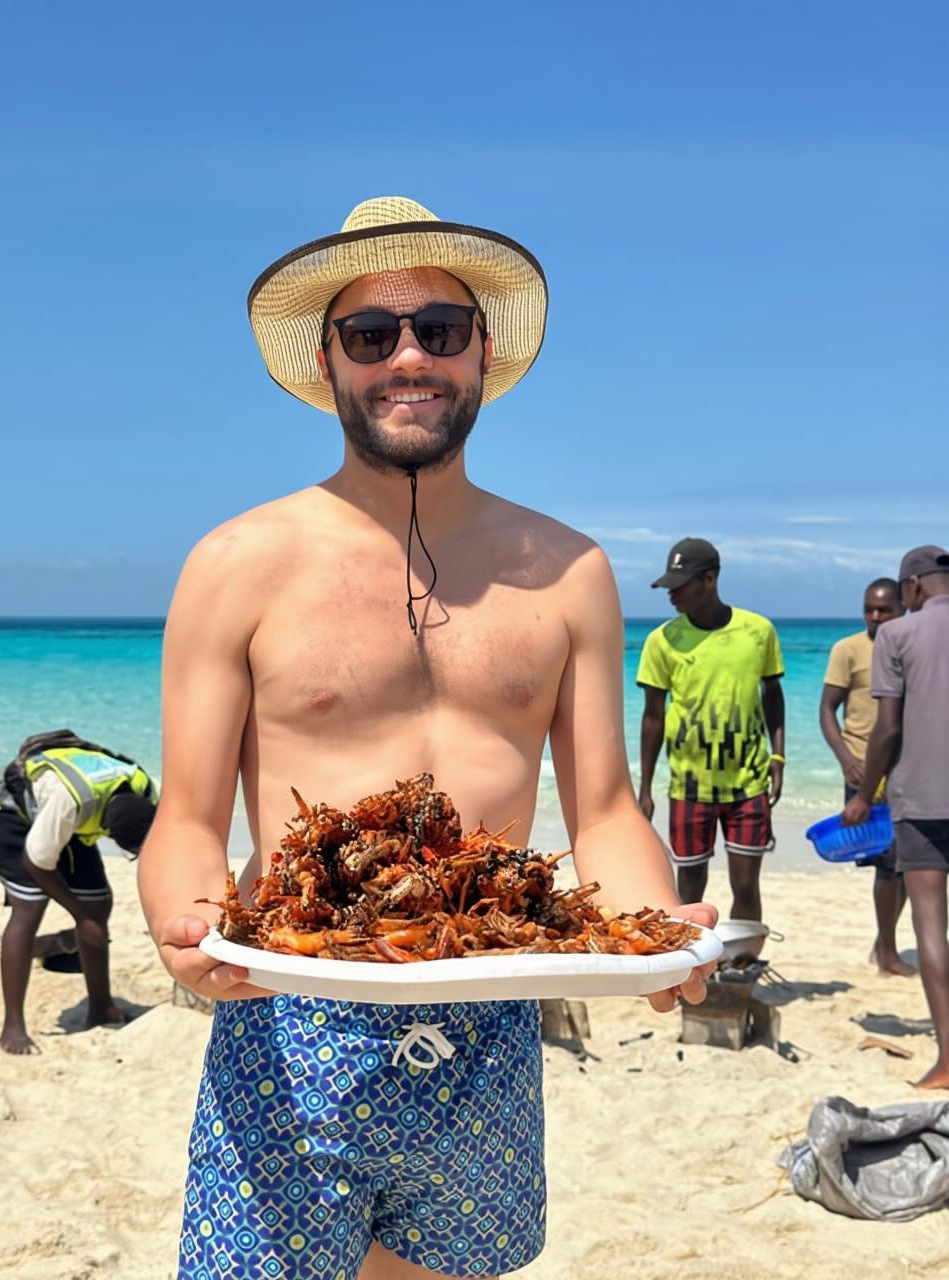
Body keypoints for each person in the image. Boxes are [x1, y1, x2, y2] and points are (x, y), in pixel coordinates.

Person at [137, 196, 718, 1280]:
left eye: (441, 330)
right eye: (373, 335)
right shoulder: (238, 562)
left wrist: (658, 930)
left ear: (482, 351)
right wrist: (184, 924)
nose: (410, 357)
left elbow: (601, 810)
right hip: (289, 1010)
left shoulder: (569, 570)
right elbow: (189, 814)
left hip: (492, 1021)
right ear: (329, 363)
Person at [843, 546, 949, 1089]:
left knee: (931, 927)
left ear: (911, 588)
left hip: (923, 803)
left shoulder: (897, 637)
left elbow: (886, 730)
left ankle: (948, 1059)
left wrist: (864, 795)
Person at [637, 537, 785, 923]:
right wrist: (645, 788)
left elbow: (773, 694)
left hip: (748, 782)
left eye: (679, 585)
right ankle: (689, 968)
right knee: (688, 887)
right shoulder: (662, 641)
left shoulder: (758, 631)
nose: (671, 595)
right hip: (689, 786)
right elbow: (653, 717)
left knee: (747, 884)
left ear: (710, 579)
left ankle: (741, 968)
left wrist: (778, 757)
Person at [0, 731, 158, 1054]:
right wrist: (78, 914)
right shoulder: (71, 802)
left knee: (100, 905)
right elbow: (36, 862)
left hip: (71, 817)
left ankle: (100, 1008)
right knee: (29, 909)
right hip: (13, 813)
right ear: (107, 829)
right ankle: (12, 1026)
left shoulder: (146, 790)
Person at [820, 578, 915, 976]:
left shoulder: (913, 644)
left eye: (885, 610)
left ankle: (884, 941)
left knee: (913, 860)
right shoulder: (848, 649)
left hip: (910, 769)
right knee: (886, 864)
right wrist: (845, 760)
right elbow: (827, 711)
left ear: (903, 608)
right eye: (869, 609)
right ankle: (888, 952)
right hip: (863, 769)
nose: (876, 617)